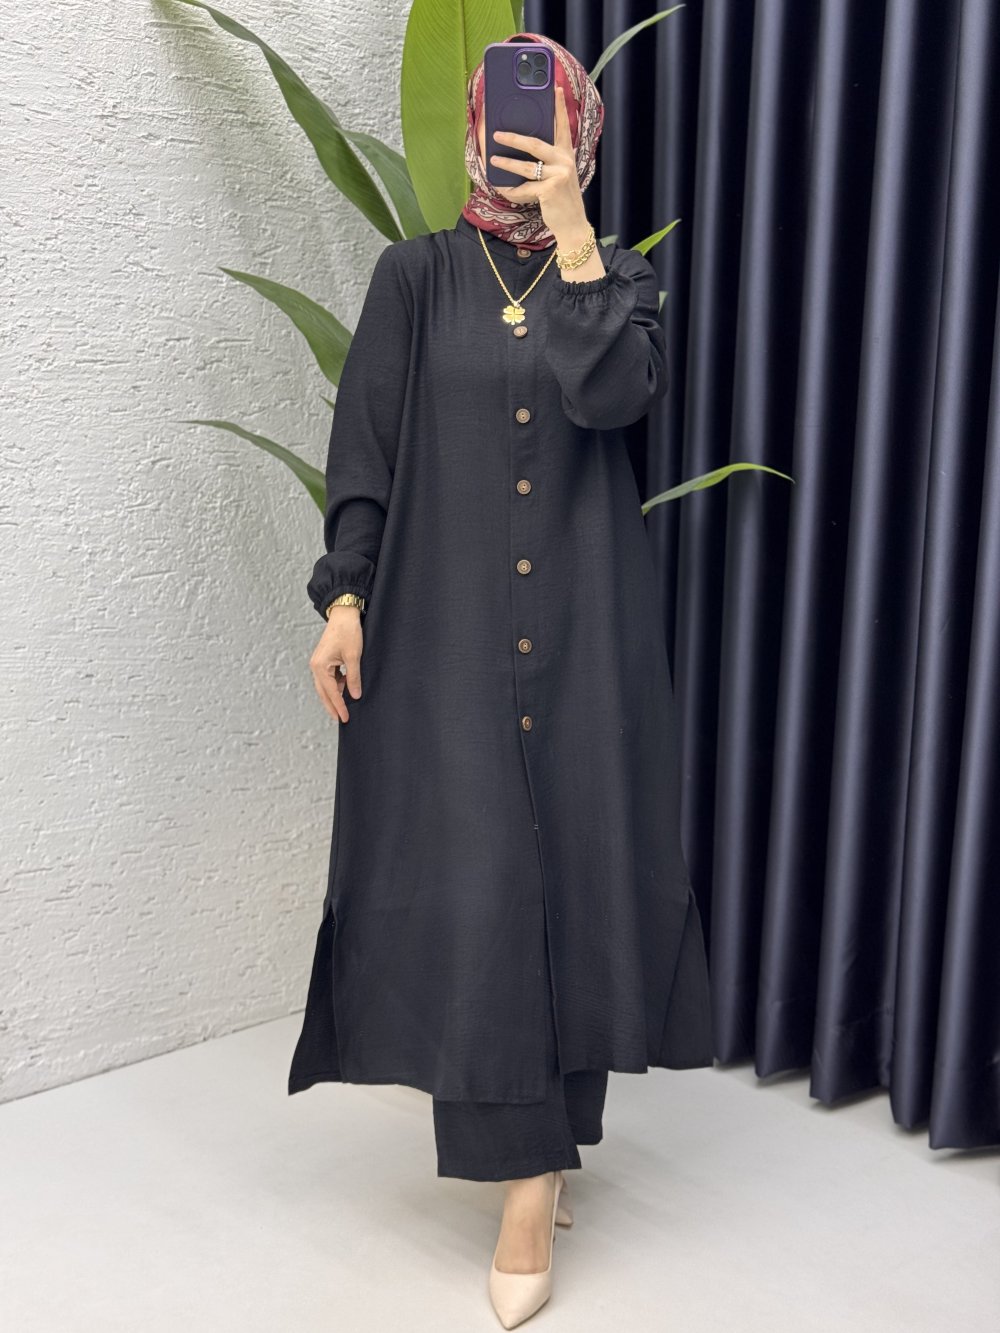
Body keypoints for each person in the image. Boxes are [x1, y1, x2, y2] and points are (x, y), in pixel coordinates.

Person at [288, 32, 713, 1329]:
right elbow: (365, 449)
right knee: (479, 889)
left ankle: (541, 1165)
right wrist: (344, 600)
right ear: (476, 130)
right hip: (444, 638)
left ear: (581, 135)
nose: (518, 141)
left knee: (575, 875)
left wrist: (575, 235)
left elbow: (613, 396)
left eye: (547, 123)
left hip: (588, 635)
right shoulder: (416, 277)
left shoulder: (617, 282)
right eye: (501, 119)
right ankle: (530, 1176)